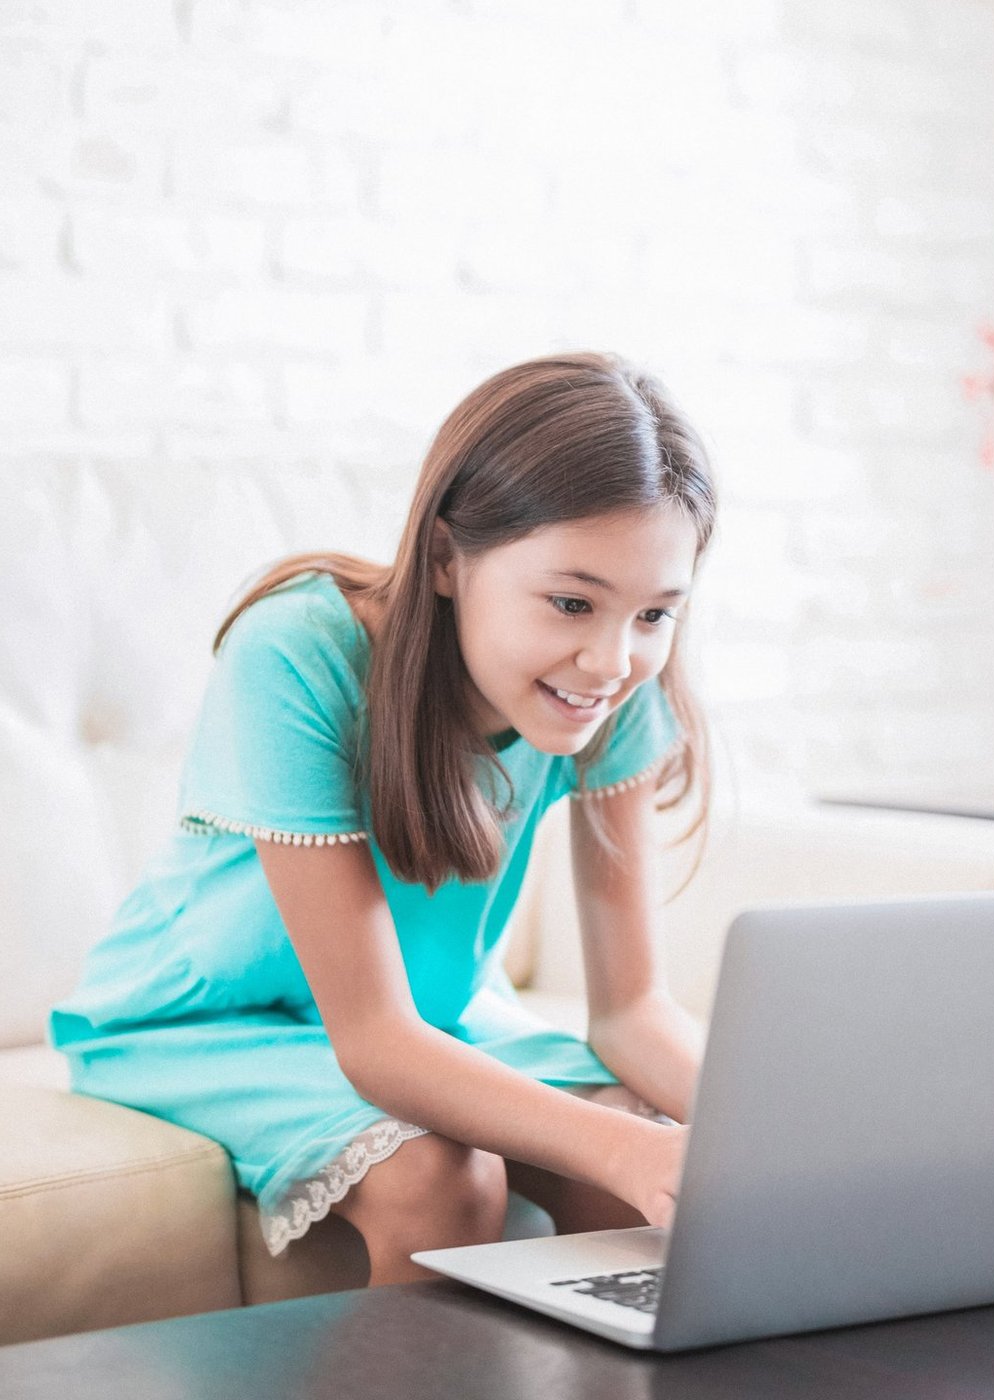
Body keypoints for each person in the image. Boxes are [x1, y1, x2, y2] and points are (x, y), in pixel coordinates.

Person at [50, 351, 717, 1285]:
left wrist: (775, 1140)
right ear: (447, 557)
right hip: (202, 1023)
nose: (610, 658)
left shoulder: (615, 688)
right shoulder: (296, 652)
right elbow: (373, 1039)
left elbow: (634, 1010)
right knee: (443, 1181)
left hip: (437, 1022)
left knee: (649, 1168)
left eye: (656, 613)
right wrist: (623, 1148)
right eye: (572, 602)